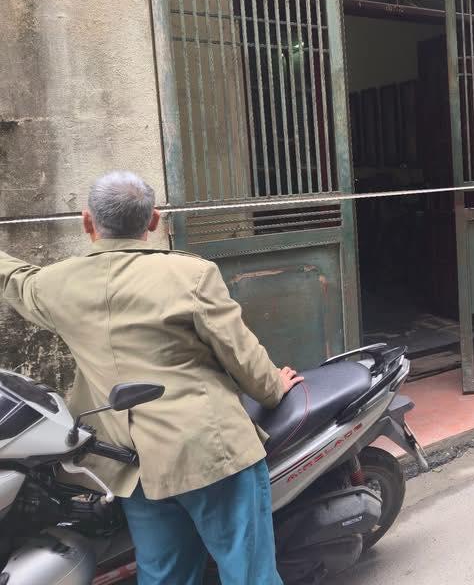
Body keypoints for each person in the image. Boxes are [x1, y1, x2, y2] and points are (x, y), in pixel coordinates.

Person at [0, 171, 303, 584]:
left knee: (163, 575)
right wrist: (273, 389)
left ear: (87, 221)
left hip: (131, 462)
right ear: (154, 220)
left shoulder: (55, 285)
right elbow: (240, 354)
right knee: (249, 573)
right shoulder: (191, 275)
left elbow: (13, 278)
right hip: (209, 453)